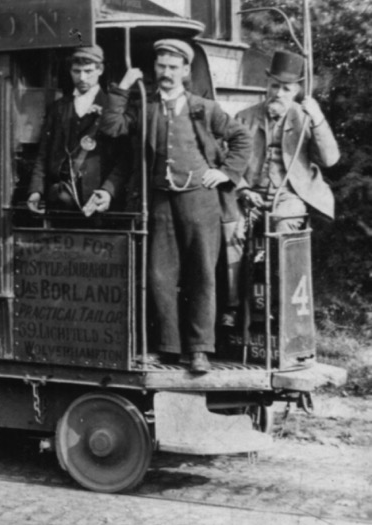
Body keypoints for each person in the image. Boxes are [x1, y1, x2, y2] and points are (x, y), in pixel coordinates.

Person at [100, 39, 252, 373]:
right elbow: (111, 127)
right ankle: (169, 347)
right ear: (154, 69)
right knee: (160, 274)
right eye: (161, 66)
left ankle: (200, 349)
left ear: (185, 71)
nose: (166, 73)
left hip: (200, 200)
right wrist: (123, 88)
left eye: (173, 67)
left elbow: (242, 138)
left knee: (201, 273)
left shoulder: (204, 108)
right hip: (160, 200)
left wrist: (224, 173)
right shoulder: (145, 106)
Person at [236, 50, 340, 232]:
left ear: (297, 91)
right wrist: (243, 190)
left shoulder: (306, 117)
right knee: (231, 227)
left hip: (289, 195)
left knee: (283, 225)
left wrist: (318, 118)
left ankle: (280, 262)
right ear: (267, 84)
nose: (278, 94)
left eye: (286, 89)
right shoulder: (244, 117)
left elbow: (329, 160)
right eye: (275, 86)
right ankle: (236, 262)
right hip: (250, 193)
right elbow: (227, 160)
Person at [27, 45, 128, 217]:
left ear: (100, 70)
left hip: (97, 202)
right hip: (59, 200)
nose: (82, 78)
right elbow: (43, 154)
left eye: (88, 71)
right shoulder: (58, 108)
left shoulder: (113, 109)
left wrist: (108, 191)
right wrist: (35, 190)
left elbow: (125, 160)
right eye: (76, 71)